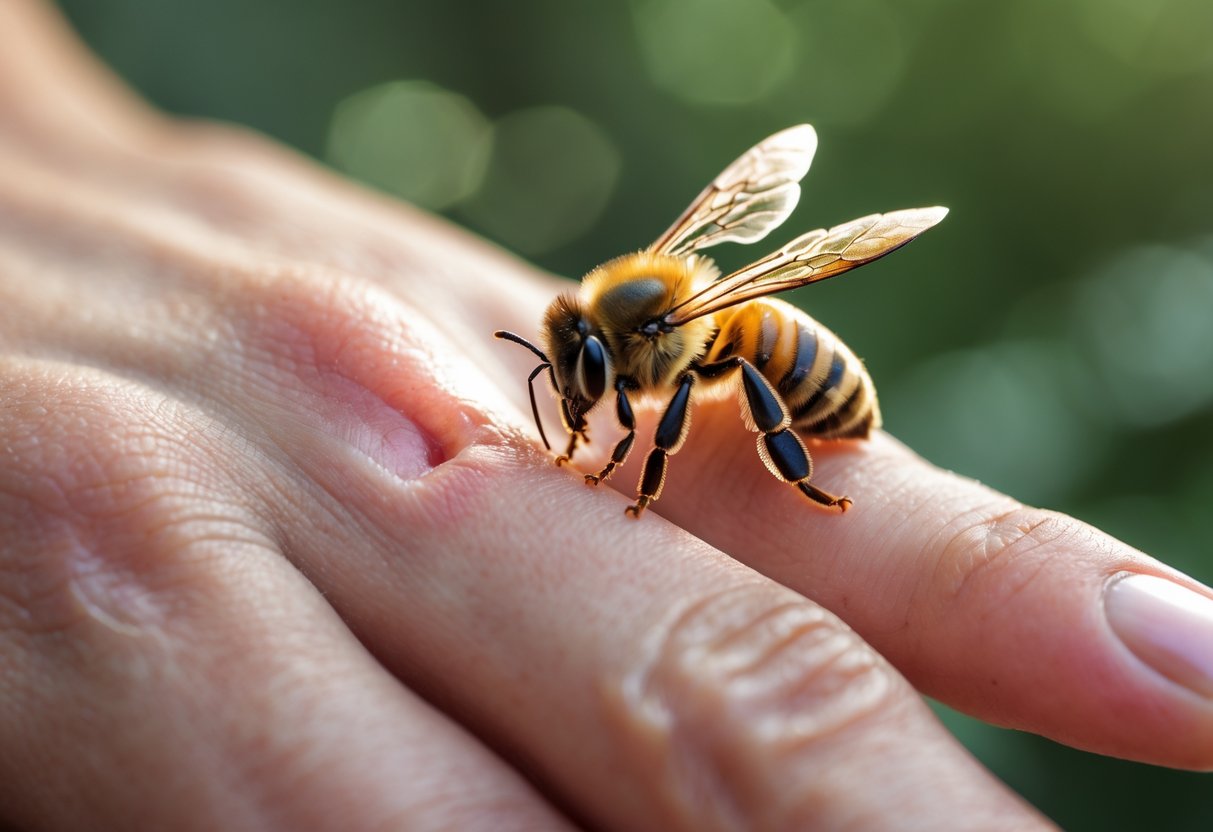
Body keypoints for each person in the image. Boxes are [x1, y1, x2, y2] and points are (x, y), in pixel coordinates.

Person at [1, 1, 1210, 828]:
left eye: (584, 366)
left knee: (717, 384)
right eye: (577, 362)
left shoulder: (668, 341)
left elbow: (684, 373)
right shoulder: (616, 319)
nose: (574, 380)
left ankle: (798, 476)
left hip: (794, 371)